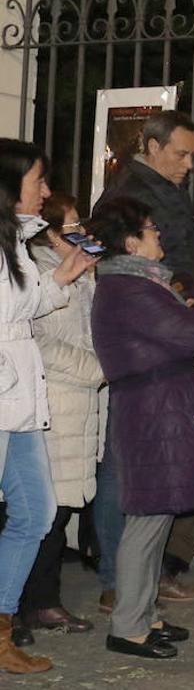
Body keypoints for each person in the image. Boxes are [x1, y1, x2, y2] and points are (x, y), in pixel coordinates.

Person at [89, 198, 194, 660]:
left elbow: (188, 326)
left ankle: (143, 613)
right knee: (147, 518)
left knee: (157, 515)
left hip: (159, 404)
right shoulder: (128, 289)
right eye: (151, 230)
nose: (159, 236)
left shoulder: (138, 284)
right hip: (152, 408)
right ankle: (128, 626)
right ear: (131, 242)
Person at [94, 109, 194, 603]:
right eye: (180, 153)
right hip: (150, 337)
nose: (187, 164)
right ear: (152, 145)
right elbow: (124, 265)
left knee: (142, 463)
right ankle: (121, 582)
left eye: (192, 155)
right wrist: (184, 294)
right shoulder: (129, 193)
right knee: (126, 465)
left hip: (164, 325)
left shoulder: (152, 187)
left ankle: (141, 578)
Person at [0, 140, 94, 675]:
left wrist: (63, 278)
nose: (47, 191)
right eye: (38, 180)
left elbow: (25, 307)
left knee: (35, 514)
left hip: (20, 401)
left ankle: (3, 631)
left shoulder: (16, 241)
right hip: (6, 393)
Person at [16, 193, 104, 641]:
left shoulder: (82, 271)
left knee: (59, 512)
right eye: (72, 225)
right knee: (40, 515)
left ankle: (38, 603)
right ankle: (33, 606)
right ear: (49, 231)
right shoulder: (39, 271)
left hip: (79, 407)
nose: (83, 233)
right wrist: (98, 370)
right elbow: (39, 341)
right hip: (54, 402)